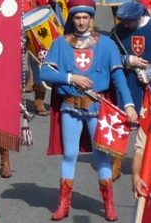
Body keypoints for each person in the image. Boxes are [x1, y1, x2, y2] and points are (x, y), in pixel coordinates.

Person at [40, 0, 138, 220]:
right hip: (70, 107)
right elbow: (45, 72)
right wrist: (70, 77)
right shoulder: (60, 43)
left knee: (102, 157)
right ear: (71, 19)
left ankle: (109, 204)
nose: (81, 21)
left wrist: (129, 105)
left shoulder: (107, 45)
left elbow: (118, 76)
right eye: (77, 17)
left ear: (92, 19)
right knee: (70, 155)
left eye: (85, 17)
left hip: (97, 108)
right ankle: (64, 204)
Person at [111, 1, 151, 114]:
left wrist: (149, 73)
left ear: (138, 18)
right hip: (128, 80)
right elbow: (110, 55)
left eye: (128, 22)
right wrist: (127, 60)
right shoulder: (118, 30)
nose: (124, 25)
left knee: (150, 122)